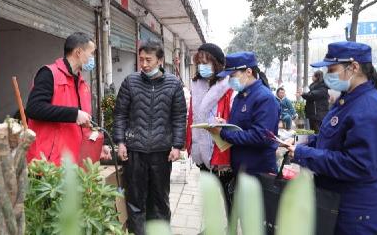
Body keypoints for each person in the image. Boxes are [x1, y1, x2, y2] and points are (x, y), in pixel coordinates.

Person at [282, 41, 377, 235]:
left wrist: (305, 154)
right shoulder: (347, 101)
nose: (328, 75)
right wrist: (299, 143)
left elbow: (358, 165)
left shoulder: (369, 108)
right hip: (337, 204)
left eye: (332, 69)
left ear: (354, 67)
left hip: (357, 213)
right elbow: (330, 139)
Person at [113, 39, 186, 235]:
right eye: (141, 59)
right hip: (135, 151)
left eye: (149, 60)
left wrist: (177, 145)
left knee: (160, 200)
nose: (144, 64)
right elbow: (119, 113)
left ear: (160, 60)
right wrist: (120, 142)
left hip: (162, 152)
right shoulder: (130, 82)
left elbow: (179, 117)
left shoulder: (173, 84)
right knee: (135, 200)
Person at [26, 32, 111, 165]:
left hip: (73, 160)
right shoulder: (49, 74)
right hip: (48, 162)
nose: (93, 58)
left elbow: (86, 121)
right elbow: (34, 108)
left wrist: (100, 146)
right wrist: (74, 114)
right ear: (78, 52)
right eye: (92, 53)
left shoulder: (82, 84)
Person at [209, 52, 280, 176]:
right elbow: (241, 127)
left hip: (258, 170)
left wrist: (224, 132)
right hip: (241, 167)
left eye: (233, 75)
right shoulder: (240, 97)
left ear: (248, 72)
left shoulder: (264, 98)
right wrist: (225, 125)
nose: (230, 80)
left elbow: (261, 136)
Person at [185, 43, 234, 215]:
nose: (201, 67)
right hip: (201, 149)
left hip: (220, 150)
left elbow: (234, 119)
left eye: (206, 62)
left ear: (217, 63)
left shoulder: (228, 88)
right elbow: (192, 116)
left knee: (227, 196)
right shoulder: (196, 86)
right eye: (199, 63)